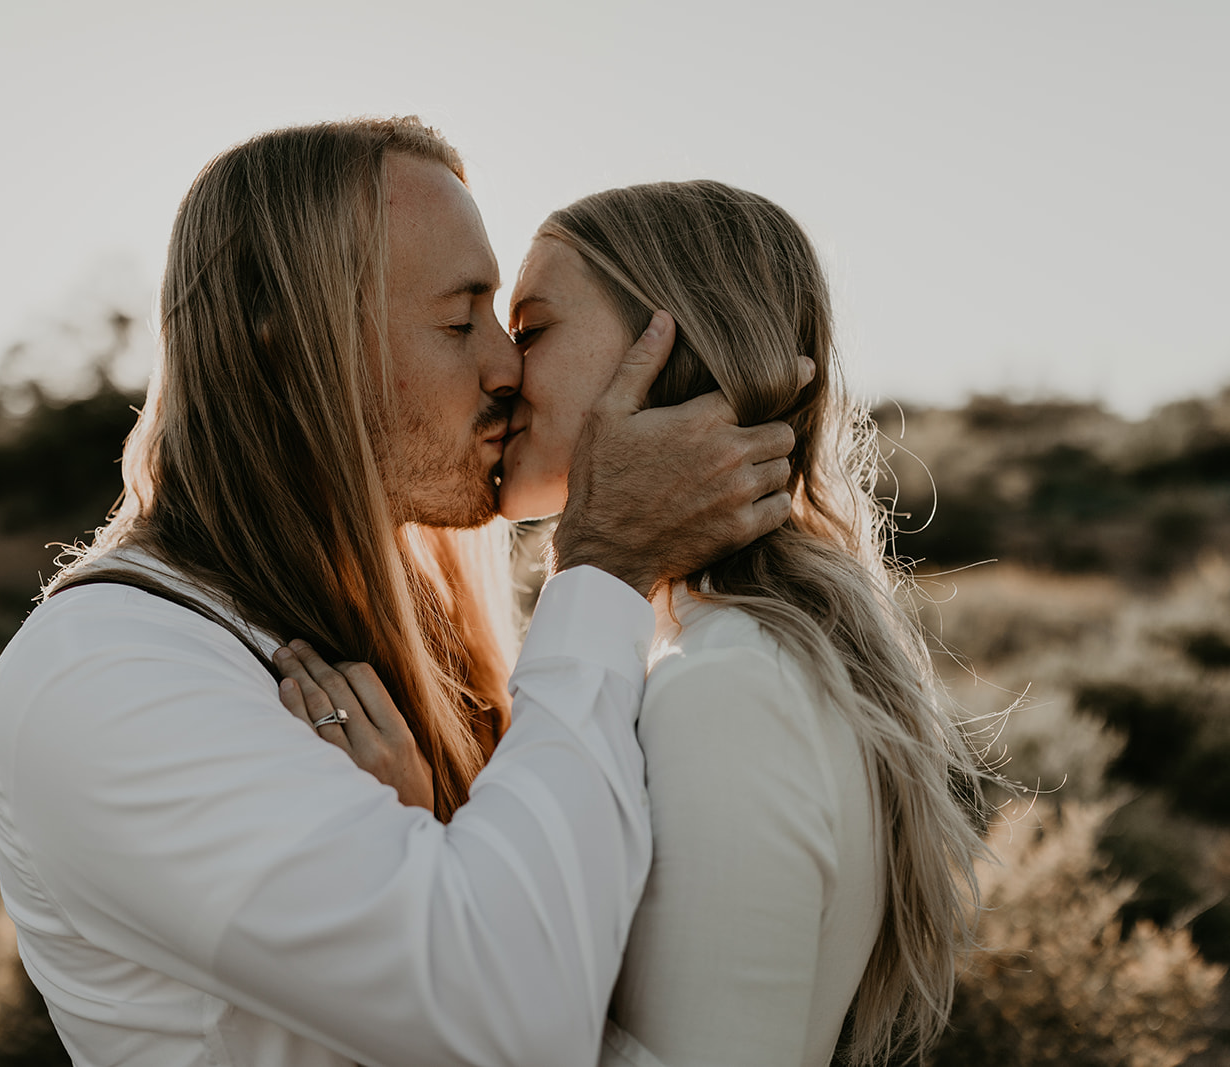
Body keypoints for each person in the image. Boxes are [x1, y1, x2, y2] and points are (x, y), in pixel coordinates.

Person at [0, 118, 802, 1066]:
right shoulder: (111, 677)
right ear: (283, 342)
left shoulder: (398, 616)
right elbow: (513, 1022)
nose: (506, 368)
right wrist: (606, 564)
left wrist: (434, 845)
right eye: (461, 323)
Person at [305, 180, 988, 1066]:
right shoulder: (709, 655)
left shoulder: (730, 688)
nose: (506, 371)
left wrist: (408, 857)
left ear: (665, 352)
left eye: (535, 327)